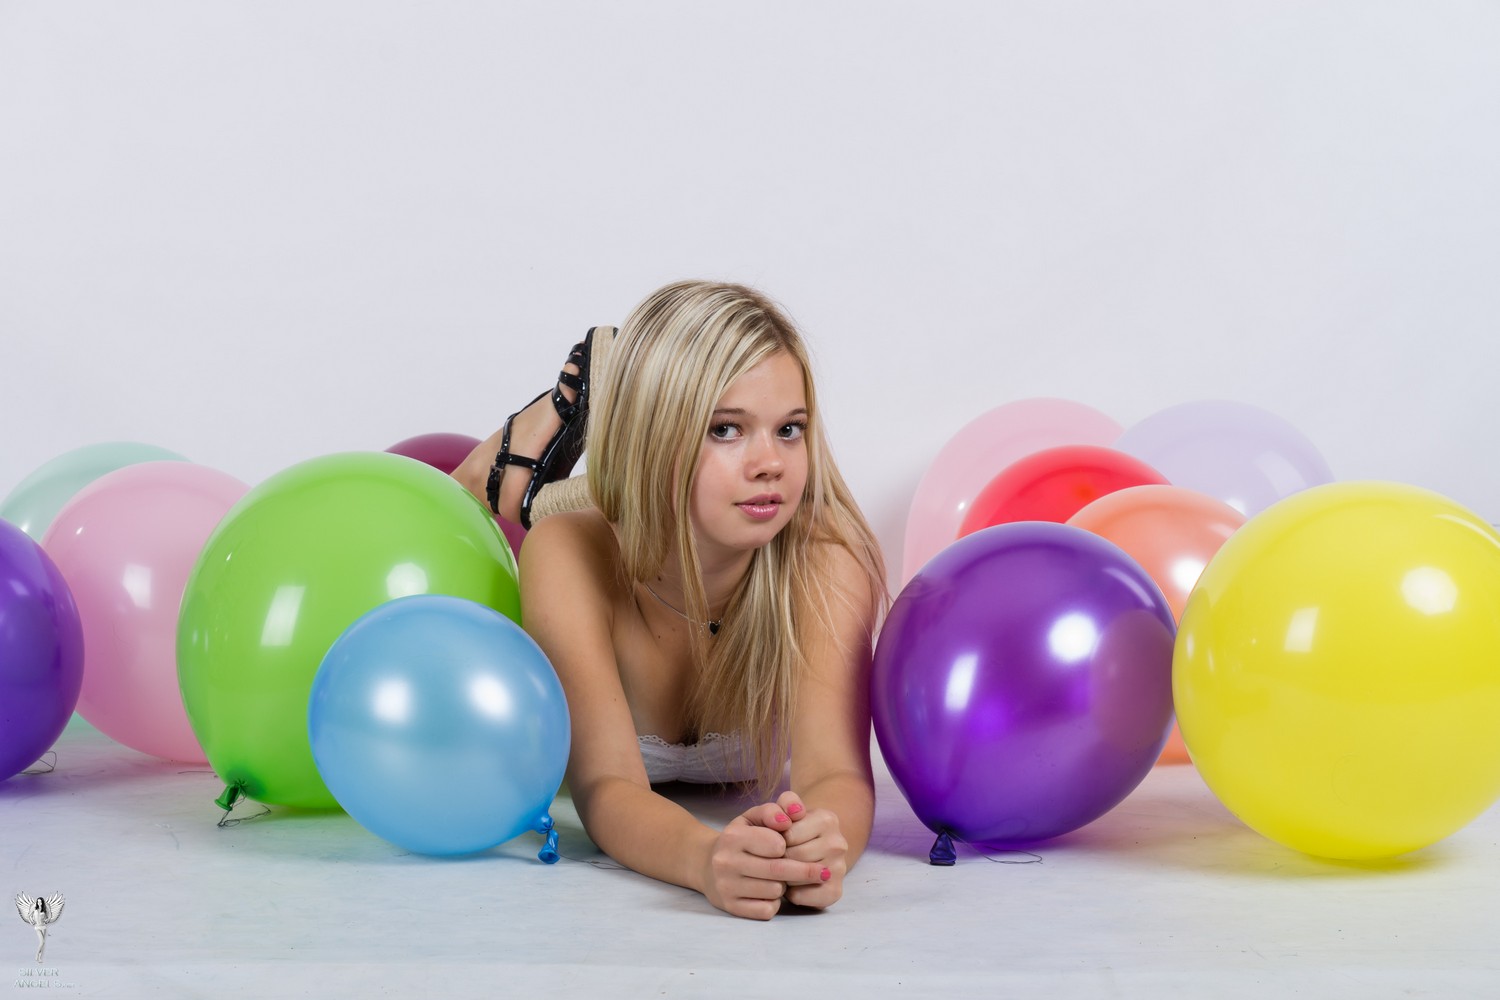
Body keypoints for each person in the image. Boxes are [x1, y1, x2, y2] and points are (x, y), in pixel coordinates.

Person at [453, 280, 887, 919]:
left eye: (789, 429)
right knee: (463, 505)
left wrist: (821, 845)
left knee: (641, 499)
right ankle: (553, 424)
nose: (770, 463)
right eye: (726, 429)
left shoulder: (825, 555)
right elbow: (605, 785)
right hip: (629, 507)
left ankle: (606, 402)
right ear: (656, 433)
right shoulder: (569, 554)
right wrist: (705, 860)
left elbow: (837, 773)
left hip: (666, 494)